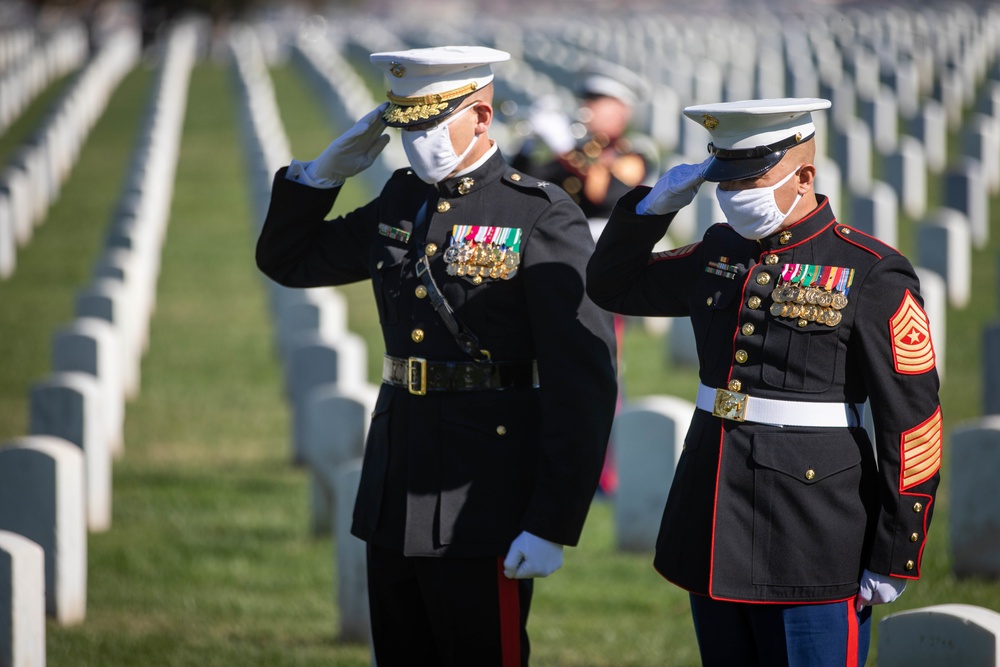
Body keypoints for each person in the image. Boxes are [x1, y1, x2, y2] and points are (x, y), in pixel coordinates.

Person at [255, 45, 618, 666]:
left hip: (486, 492)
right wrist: (320, 176)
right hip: (397, 484)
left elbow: (582, 380)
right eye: (406, 124)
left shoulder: (538, 212)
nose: (415, 139)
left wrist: (553, 518)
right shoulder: (401, 200)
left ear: (480, 115)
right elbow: (288, 261)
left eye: (430, 122)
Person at [586, 98, 941, 666]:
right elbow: (612, 287)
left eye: (751, 179)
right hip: (714, 511)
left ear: (804, 174)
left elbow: (914, 421)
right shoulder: (720, 252)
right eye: (723, 181)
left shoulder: (870, 270)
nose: (733, 196)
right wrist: (651, 208)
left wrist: (895, 550)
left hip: (812, 529)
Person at [511, 59, 658, 229]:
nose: (586, 105)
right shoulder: (578, 151)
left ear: (621, 109)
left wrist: (564, 147)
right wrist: (529, 147)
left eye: (597, 99)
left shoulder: (635, 154)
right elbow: (525, 185)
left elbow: (606, 195)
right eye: (586, 98)